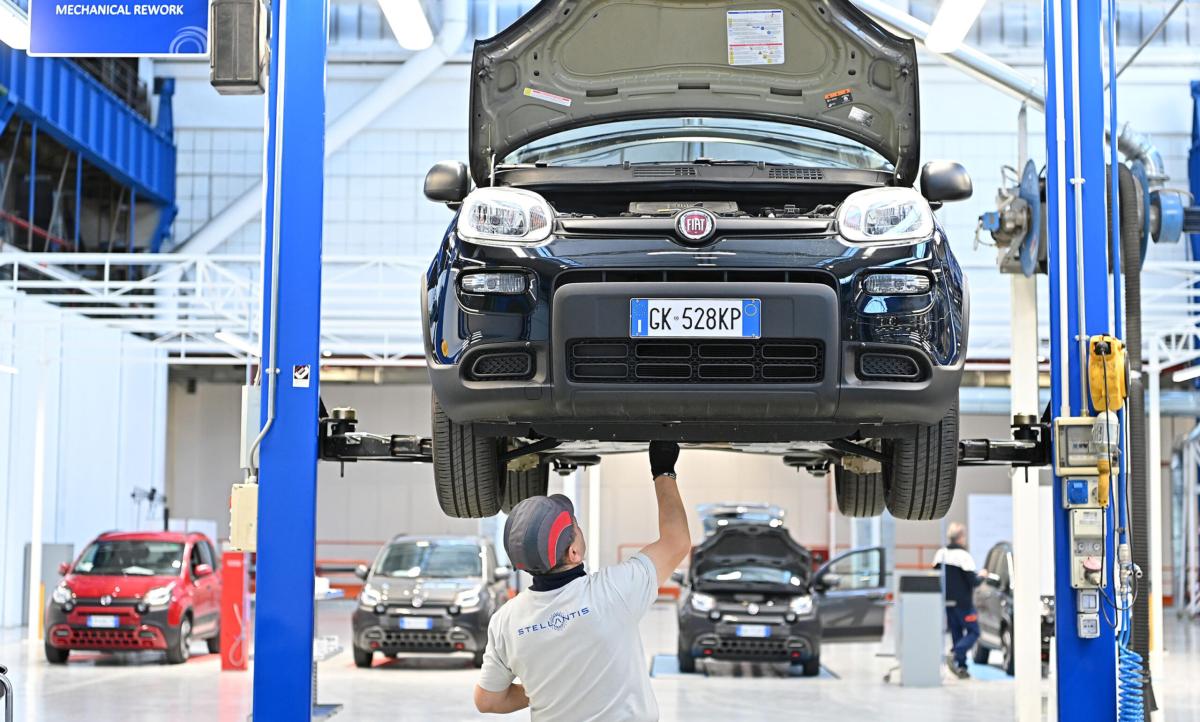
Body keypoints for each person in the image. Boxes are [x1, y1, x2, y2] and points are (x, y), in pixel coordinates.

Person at [473, 441, 690, 720]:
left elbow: (487, 701)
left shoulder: (506, 622)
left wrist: (548, 684)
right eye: (575, 525)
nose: (579, 527)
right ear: (574, 552)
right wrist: (664, 471)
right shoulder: (613, 593)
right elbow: (677, 540)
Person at [932, 522, 986, 679]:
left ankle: (961, 666)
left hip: (947, 603)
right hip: (963, 604)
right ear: (961, 537)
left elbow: (935, 575)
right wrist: (982, 575)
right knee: (974, 631)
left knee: (956, 633)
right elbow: (973, 582)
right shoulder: (964, 556)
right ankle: (957, 653)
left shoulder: (940, 554)